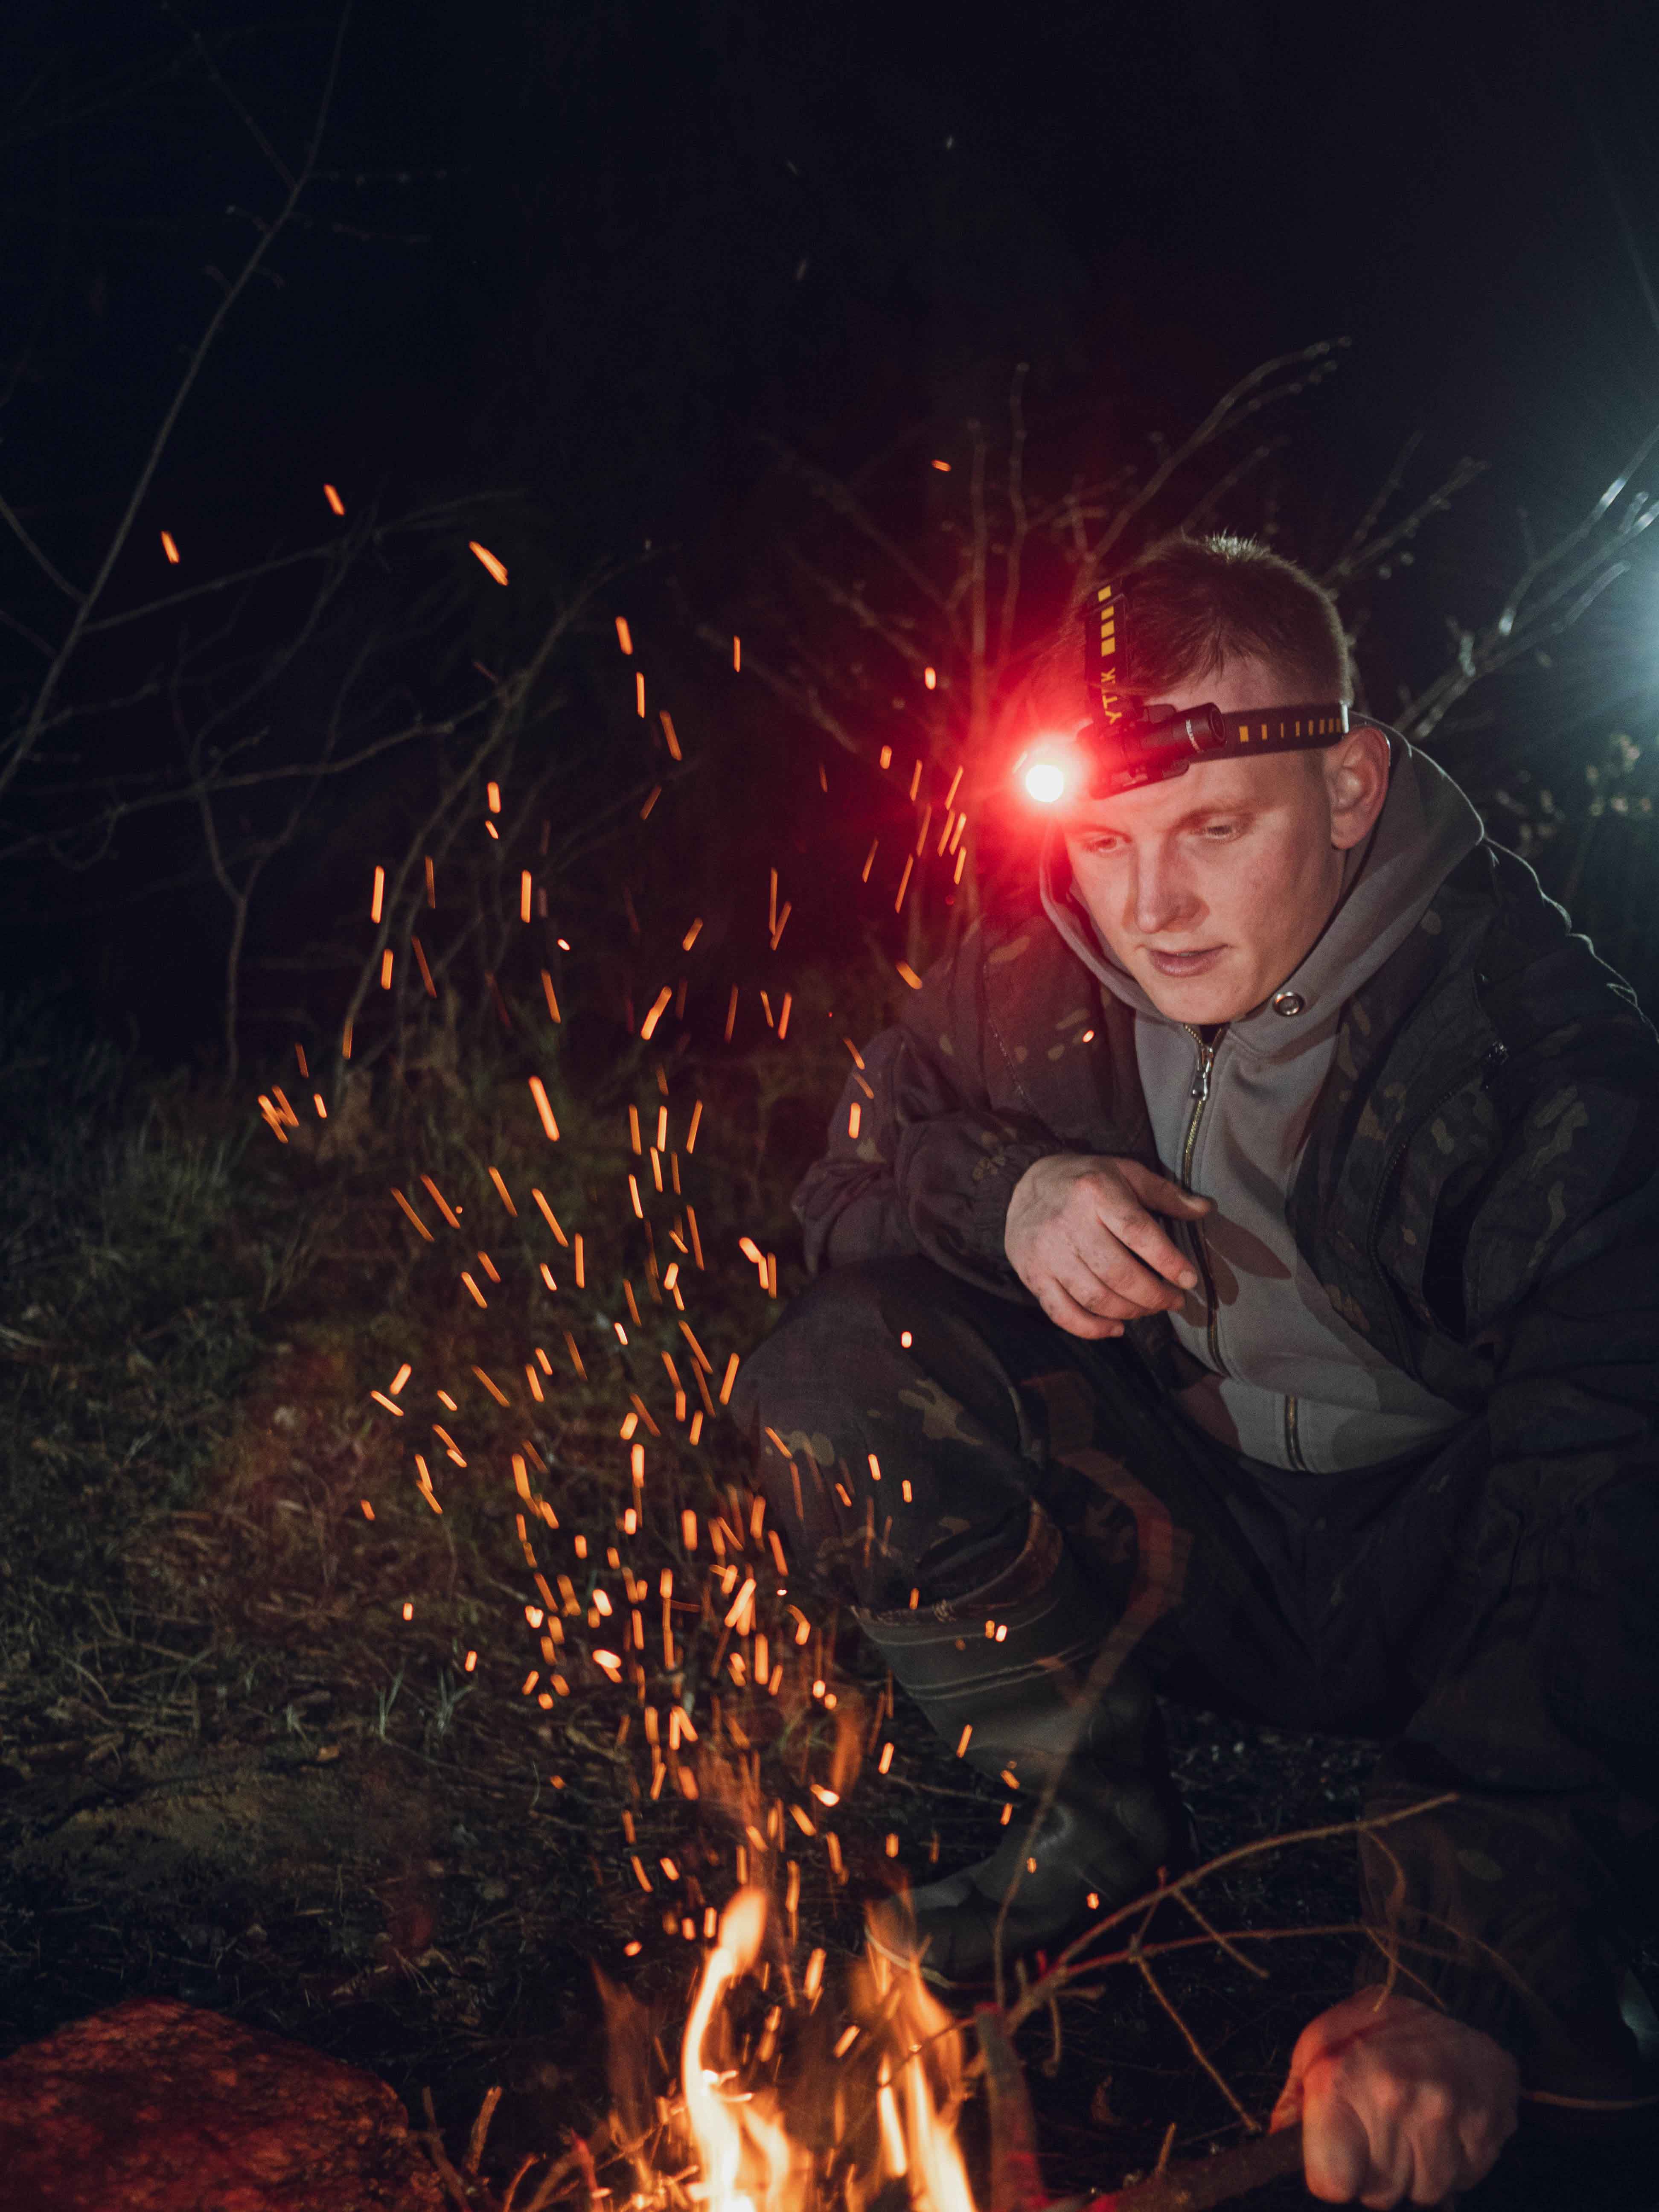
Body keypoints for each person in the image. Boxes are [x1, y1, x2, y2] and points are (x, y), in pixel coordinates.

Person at [735, 534, 1659, 2206]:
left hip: (1446, 1573)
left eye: (1215, 833)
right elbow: (846, 1183)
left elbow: (1594, 1483)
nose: (1149, 909)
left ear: (1351, 787)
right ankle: (1078, 1834)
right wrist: (1008, 1195)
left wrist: (1453, 1971)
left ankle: (1565, 1932)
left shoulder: (1536, 1056)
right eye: (1103, 842)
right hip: (1194, 1549)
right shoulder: (1031, 986)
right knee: (838, 1369)